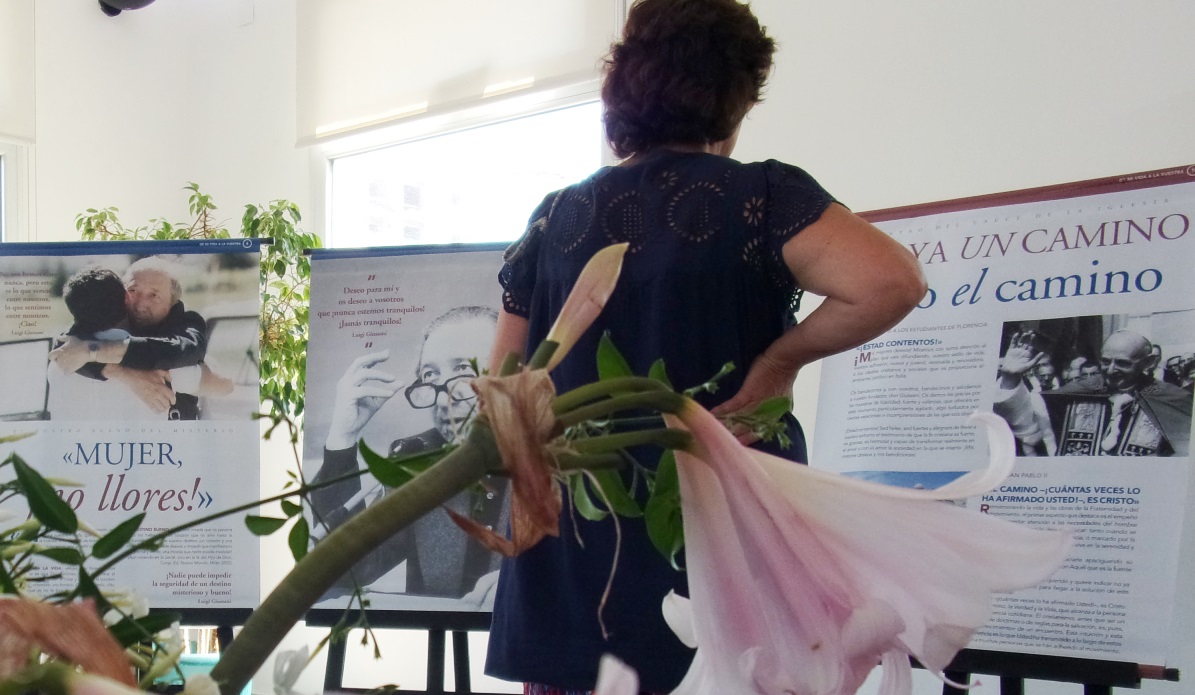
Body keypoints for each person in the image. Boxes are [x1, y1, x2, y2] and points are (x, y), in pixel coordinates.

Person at [482, 1, 927, 692]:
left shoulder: (554, 214)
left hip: (574, 556)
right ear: (737, 95)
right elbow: (890, 281)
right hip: (720, 550)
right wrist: (780, 362)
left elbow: (503, 385)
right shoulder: (760, 196)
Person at [309, 305, 507, 602]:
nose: (445, 399)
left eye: (464, 370)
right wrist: (342, 438)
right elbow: (350, 568)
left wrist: (521, 583)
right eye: (430, 375)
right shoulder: (417, 462)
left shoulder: (566, 459)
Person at [47, 263, 229, 420]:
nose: (141, 304)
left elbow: (187, 349)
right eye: (133, 290)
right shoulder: (167, 373)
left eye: (154, 295)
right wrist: (126, 374)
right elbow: (224, 384)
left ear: (173, 302)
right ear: (124, 295)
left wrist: (91, 352)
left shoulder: (65, 360)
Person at [994, 329, 1193, 456]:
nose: (1111, 370)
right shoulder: (1077, 392)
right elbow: (1029, 427)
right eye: (1106, 361)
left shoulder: (1173, 400)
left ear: (1148, 362)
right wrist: (1011, 378)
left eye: (1123, 363)